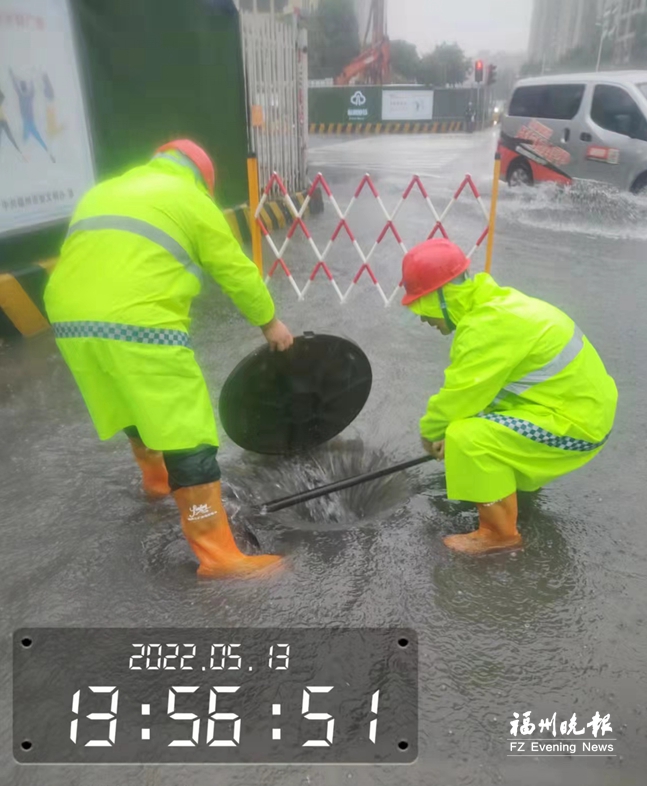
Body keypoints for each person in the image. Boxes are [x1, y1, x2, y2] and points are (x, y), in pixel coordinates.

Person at [44, 139, 294, 578]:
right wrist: (270, 323)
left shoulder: (104, 191)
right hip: (137, 321)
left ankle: (157, 486)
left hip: (68, 321)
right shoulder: (191, 200)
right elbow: (236, 271)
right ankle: (219, 556)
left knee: (129, 399)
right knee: (187, 431)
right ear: (203, 180)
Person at [401, 239, 617, 555]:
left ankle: (498, 534)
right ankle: (507, 486)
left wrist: (430, 435)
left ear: (442, 298)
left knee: (468, 436)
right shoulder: (496, 306)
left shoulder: (487, 328)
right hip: (567, 407)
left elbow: (458, 397)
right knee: (470, 426)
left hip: (579, 424)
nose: (422, 318)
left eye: (422, 307)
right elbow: (486, 393)